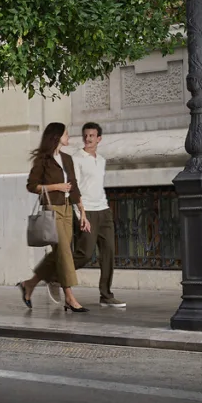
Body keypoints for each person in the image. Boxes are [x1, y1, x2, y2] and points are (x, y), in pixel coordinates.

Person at [16, 122, 91, 313]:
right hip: (52, 208)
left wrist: (82, 212)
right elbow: (31, 186)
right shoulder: (43, 160)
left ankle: (29, 284)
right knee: (64, 251)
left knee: (60, 252)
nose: (68, 137)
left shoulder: (67, 158)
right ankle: (70, 297)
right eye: (66, 134)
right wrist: (56, 187)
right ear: (56, 137)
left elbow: (74, 186)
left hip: (67, 209)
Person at [71, 122, 125, 307]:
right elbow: (75, 188)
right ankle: (56, 274)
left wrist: (106, 207)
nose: (88, 139)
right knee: (85, 254)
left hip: (103, 210)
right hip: (87, 212)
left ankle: (106, 295)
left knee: (109, 252)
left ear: (99, 139)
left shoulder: (101, 160)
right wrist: (81, 214)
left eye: (92, 136)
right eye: (86, 135)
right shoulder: (76, 158)